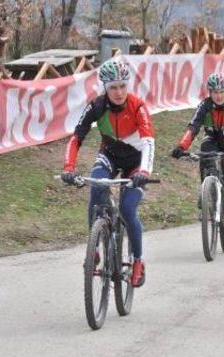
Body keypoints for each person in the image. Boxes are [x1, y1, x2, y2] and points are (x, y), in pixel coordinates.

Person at [60, 59, 155, 288]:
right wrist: (69, 168)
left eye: (123, 86)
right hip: (109, 156)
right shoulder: (96, 107)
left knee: (127, 208)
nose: (119, 92)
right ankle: (94, 248)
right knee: (97, 187)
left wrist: (144, 171)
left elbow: (149, 142)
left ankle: (138, 261)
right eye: (113, 87)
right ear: (105, 86)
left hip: (135, 163)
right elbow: (76, 138)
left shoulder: (138, 107)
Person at [170, 73, 224, 240]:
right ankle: (205, 191)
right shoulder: (205, 106)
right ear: (210, 92)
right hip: (213, 139)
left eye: (221, 91)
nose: (218, 95)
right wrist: (181, 146)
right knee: (204, 153)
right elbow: (193, 127)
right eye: (214, 92)